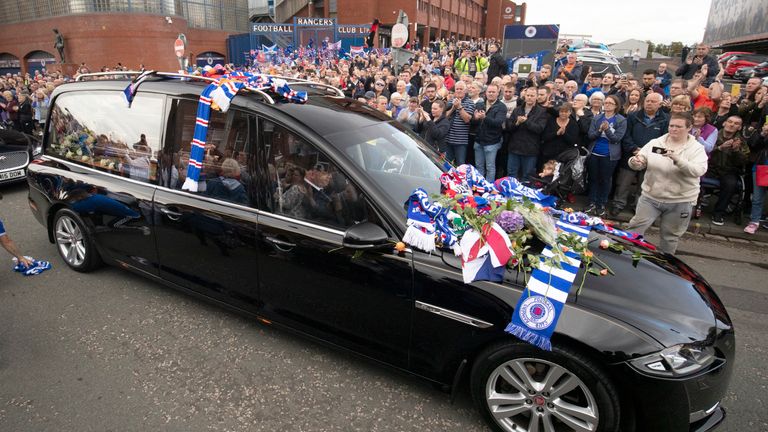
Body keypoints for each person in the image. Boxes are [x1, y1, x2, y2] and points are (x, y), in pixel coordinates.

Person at [626, 112, 707, 254]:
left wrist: (678, 160)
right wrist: (635, 162)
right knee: (634, 230)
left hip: (680, 201)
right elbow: (639, 160)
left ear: (689, 128)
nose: (673, 129)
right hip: (650, 197)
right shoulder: (655, 143)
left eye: (678, 126)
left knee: (670, 237)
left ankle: (665, 267)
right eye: (671, 125)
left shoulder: (696, 148)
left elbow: (698, 171)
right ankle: (627, 258)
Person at [609, 92, 669, 217]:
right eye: (647, 101)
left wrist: (648, 153)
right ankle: (618, 204)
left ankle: (638, 207)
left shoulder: (665, 119)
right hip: (631, 154)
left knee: (644, 184)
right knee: (624, 182)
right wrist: (634, 149)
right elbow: (626, 136)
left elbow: (665, 141)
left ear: (660, 104)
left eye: (653, 101)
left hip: (652, 158)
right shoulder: (633, 116)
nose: (649, 103)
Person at [585, 95, 626, 215]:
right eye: (606, 102)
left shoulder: (621, 120)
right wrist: (599, 130)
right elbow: (591, 136)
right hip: (594, 152)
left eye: (610, 103)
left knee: (605, 179)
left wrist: (607, 130)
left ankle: (601, 203)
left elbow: (616, 139)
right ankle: (591, 202)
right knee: (593, 178)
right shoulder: (597, 118)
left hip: (609, 155)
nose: (607, 105)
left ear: (616, 106)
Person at [707, 115, 749, 226]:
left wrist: (736, 151)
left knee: (731, 184)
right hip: (710, 167)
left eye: (736, 123)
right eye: (730, 121)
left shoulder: (741, 141)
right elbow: (703, 151)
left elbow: (743, 161)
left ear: (739, 127)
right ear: (724, 123)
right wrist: (719, 148)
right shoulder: (714, 134)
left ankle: (718, 213)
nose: (731, 125)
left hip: (728, 170)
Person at [505, 87, 547, 180]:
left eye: (532, 96)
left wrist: (526, 121)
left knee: (527, 177)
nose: (529, 97)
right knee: (511, 174)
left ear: (536, 97)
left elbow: (540, 129)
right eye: (528, 95)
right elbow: (509, 127)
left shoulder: (542, 111)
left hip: (530, 150)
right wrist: (517, 123)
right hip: (515, 148)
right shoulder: (517, 109)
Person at [472, 83, 506, 181]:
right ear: (485, 93)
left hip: (492, 141)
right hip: (479, 140)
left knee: (490, 167)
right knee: (479, 166)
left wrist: (485, 118)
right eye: (489, 92)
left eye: (493, 92)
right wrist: (475, 118)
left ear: (498, 93)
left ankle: (489, 188)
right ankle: (479, 186)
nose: (491, 94)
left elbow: (498, 123)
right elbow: (473, 122)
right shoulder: (480, 104)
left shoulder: (501, 107)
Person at [744, 122, 768, 234]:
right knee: (757, 198)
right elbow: (753, 145)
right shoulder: (764, 130)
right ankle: (754, 222)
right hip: (762, 167)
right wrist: (763, 133)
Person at [444, 81, 475, 164]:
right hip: (448, 138)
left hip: (460, 140)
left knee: (460, 164)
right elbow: (444, 117)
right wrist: (453, 108)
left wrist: (460, 107)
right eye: (457, 89)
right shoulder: (450, 101)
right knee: (446, 163)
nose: (459, 91)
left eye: (461, 89)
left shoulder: (470, 103)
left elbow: (467, 119)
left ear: (465, 91)